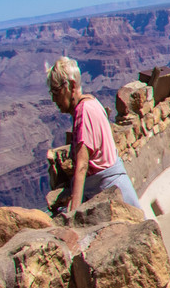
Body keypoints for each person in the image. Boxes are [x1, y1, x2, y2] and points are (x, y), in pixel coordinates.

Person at [47, 56, 146, 216]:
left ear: (71, 85)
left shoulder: (83, 112)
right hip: (115, 188)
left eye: (56, 91)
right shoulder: (92, 102)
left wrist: (73, 213)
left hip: (109, 193)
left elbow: (82, 166)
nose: (53, 99)